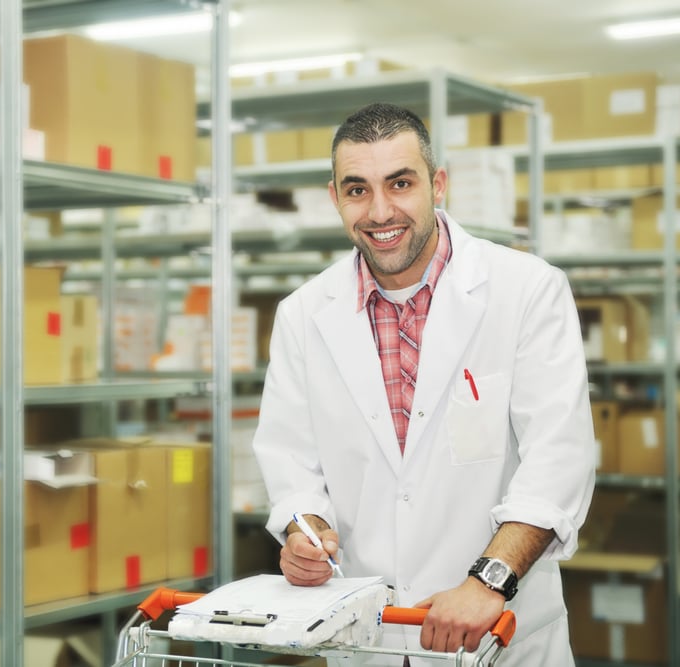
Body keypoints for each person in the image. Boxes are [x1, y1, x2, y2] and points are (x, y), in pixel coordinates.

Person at [251, 102, 595, 666]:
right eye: (357, 189)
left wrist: (489, 582)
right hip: (368, 636)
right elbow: (291, 462)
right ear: (334, 197)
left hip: (501, 634)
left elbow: (559, 457)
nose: (380, 210)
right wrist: (303, 534)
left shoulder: (527, 290)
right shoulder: (303, 313)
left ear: (438, 185)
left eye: (401, 183)